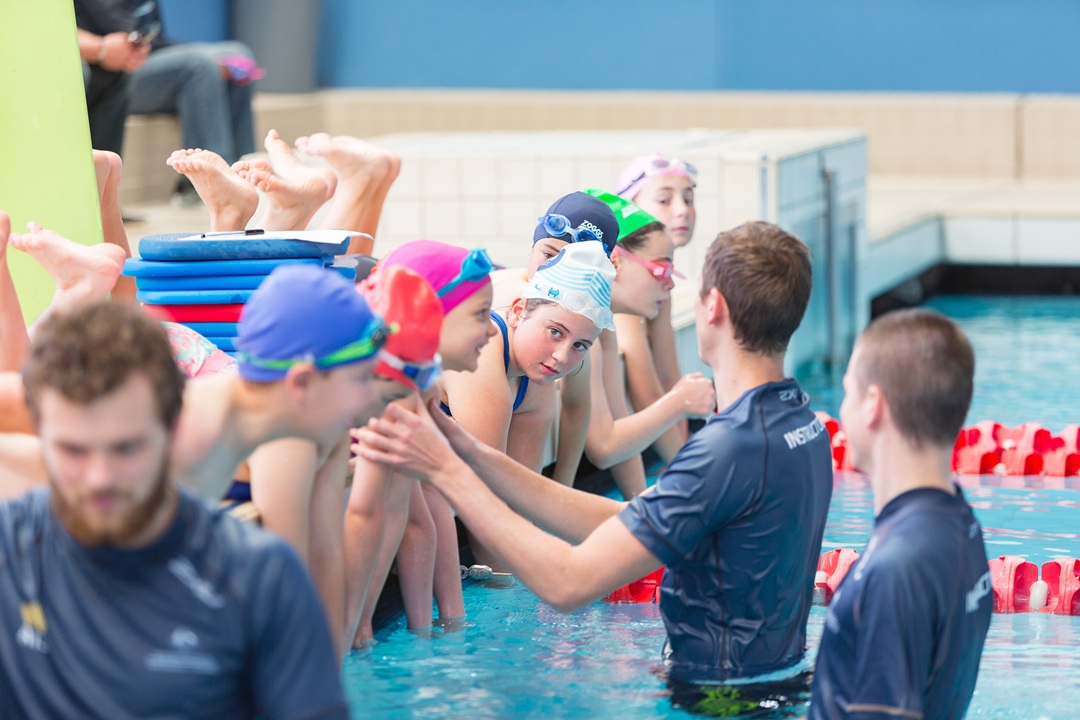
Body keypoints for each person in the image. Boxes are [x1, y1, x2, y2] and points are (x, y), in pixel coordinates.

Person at [356, 221, 834, 713]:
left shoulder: (727, 450)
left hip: (715, 701)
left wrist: (447, 472)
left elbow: (566, 584)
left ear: (713, 309)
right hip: (775, 684)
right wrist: (471, 454)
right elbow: (626, 521)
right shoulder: (798, 423)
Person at [0, 300, 348, 719]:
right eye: (72, 450)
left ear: (173, 428)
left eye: (126, 448)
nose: (100, 479)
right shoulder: (11, 551)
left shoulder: (256, 578)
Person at [810, 309, 992, 719]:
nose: (841, 410)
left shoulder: (896, 570)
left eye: (847, 392)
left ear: (873, 404)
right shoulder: (960, 523)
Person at [345, 240, 497, 646]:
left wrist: (439, 629)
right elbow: (366, 515)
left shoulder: (416, 374)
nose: (494, 328)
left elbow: (418, 518)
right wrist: (358, 633)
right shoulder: (385, 387)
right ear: (428, 312)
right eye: (481, 314)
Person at [442, 241, 614, 567]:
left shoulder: (537, 382)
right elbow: (486, 494)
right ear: (519, 311)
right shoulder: (485, 352)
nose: (562, 357)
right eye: (554, 332)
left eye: (580, 345)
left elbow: (523, 497)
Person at [75, 0, 257, 200]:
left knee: (237, 56)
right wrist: (104, 49)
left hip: (143, 58)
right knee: (199, 66)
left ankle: (243, 175)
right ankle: (211, 186)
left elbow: (155, 41)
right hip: (112, 69)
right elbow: (125, 41)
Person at [613, 154, 699, 466]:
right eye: (665, 199)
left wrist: (688, 457)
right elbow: (645, 388)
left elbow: (668, 374)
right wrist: (686, 470)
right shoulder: (625, 282)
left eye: (688, 198)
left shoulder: (661, 283)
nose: (682, 210)